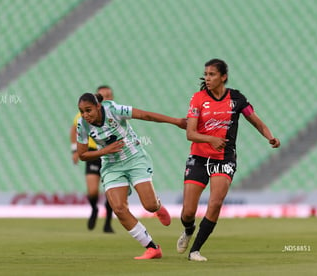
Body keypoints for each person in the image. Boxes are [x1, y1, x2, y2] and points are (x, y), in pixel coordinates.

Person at [177, 58, 281, 261]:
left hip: (224, 159)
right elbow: (190, 133)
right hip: (199, 157)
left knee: (215, 203)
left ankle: (195, 251)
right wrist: (210, 139)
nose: (207, 78)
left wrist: (270, 136)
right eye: (206, 74)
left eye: (212, 74)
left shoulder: (236, 99)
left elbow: (256, 121)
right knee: (188, 211)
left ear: (223, 77)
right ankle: (189, 230)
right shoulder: (198, 98)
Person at [76, 92, 186, 259]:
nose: (85, 115)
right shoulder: (82, 125)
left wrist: (176, 121)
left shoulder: (113, 109)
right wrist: (105, 151)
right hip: (111, 165)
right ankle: (152, 248)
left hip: (135, 159)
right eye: (82, 111)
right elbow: (82, 155)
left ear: (98, 106)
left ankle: (157, 207)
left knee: (148, 205)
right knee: (119, 208)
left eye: (88, 110)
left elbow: (145, 115)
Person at [70, 85, 115, 233]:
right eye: (103, 95)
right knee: (93, 191)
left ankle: (108, 223)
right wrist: (75, 150)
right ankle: (94, 208)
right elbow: (74, 128)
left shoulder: (113, 113)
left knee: (111, 191)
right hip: (93, 153)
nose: (107, 98)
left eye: (109, 95)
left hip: (111, 154)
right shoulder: (85, 114)